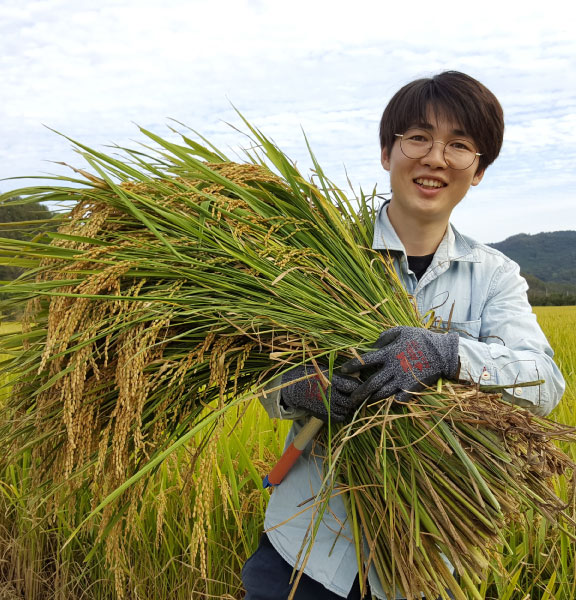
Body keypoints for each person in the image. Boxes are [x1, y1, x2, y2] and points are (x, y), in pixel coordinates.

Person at [240, 71, 565, 600]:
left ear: (478, 170)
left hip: (427, 558)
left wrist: (448, 353)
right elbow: (261, 376)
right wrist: (299, 388)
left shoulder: (495, 275)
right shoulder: (316, 255)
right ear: (387, 152)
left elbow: (544, 384)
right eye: (418, 138)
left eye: (459, 145)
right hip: (305, 550)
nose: (436, 158)